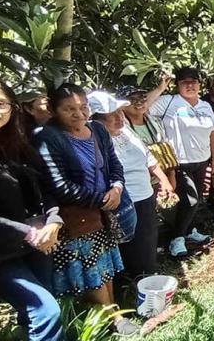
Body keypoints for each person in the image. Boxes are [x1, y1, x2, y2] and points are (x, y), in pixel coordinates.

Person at [33, 83, 137, 336]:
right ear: (54, 110)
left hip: (103, 213)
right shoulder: (48, 137)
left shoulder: (98, 130)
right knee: (92, 268)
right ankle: (113, 319)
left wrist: (117, 186)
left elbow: (114, 163)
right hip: (74, 218)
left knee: (107, 264)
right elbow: (59, 186)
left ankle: (115, 312)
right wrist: (100, 199)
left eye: (83, 107)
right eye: (69, 109)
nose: (79, 114)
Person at [0, 81, 64, 341]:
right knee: (46, 310)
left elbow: (46, 190)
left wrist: (54, 221)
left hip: (38, 243)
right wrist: (29, 233)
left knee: (32, 312)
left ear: (13, 108)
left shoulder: (22, 145)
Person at [89, 91, 175, 278]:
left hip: (145, 195)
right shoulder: (95, 141)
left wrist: (164, 179)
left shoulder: (126, 128)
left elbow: (148, 157)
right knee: (131, 246)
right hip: (125, 202)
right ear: (95, 120)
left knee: (148, 239)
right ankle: (137, 284)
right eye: (110, 115)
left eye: (119, 112)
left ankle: (148, 277)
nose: (118, 117)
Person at [147, 67, 214, 257]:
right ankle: (176, 239)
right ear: (177, 85)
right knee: (191, 201)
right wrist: (161, 87)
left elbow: (212, 132)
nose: (190, 85)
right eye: (184, 82)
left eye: (193, 81)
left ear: (200, 84)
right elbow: (144, 106)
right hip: (179, 163)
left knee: (195, 200)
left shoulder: (205, 106)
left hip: (202, 161)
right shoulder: (169, 102)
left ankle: (190, 232)